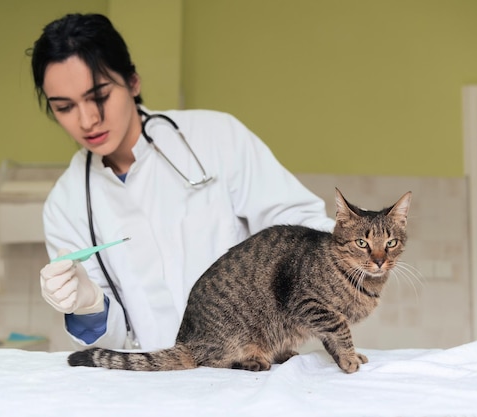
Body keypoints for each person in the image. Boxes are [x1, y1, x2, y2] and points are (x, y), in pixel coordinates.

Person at [32, 13, 335, 351]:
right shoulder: (65, 204)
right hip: (154, 381)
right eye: (64, 107)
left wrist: (351, 252)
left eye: (99, 96)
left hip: (249, 371)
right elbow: (113, 341)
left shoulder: (218, 137)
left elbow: (301, 229)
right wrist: (87, 306)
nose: (87, 120)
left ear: (132, 82)